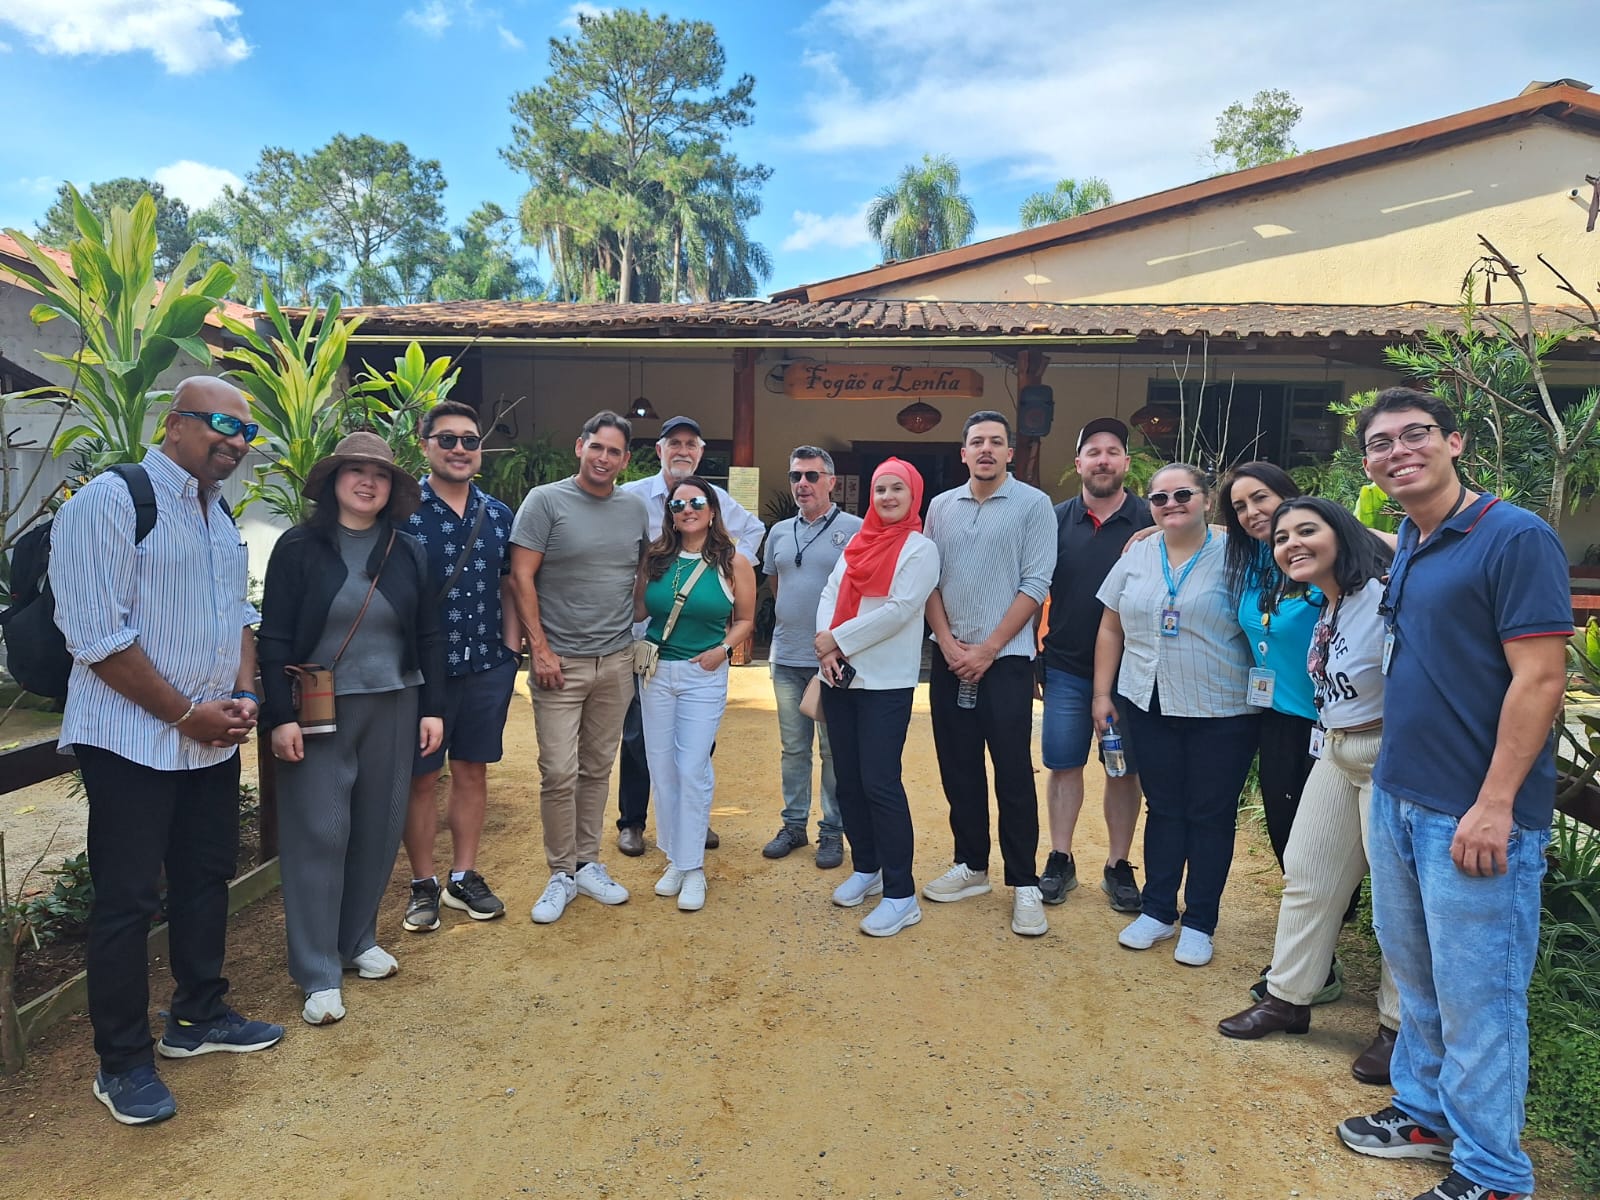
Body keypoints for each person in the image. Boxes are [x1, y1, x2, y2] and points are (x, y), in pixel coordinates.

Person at [1335, 388, 1569, 1200]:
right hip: (1402, 794)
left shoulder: (1515, 537)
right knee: (1420, 978)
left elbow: (1540, 679)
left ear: (1455, 441)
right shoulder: (1412, 535)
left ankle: (1494, 1172)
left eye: (1416, 434)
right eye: (1381, 443)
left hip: (1475, 812)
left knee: (1480, 998)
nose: (1398, 451)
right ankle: (1429, 1114)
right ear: (1369, 464)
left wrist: (1496, 803)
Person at [51, 376, 283, 1125]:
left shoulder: (219, 515)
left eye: (246, 431)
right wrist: (186, 714)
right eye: (222, 423)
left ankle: (198, 1015)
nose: (236, 441)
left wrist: (243, 694)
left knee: (205, 878)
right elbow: (96, 637)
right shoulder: (111, 503)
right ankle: (121, 1063)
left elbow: (238, 614)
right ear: (173, 423)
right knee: (127, 901)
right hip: (131, 741)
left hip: (209, 740)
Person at [258, 432, 445, 1026]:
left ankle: (356, 940)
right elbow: (274, 637)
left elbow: (430, 633)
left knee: (378, 826)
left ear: (392, 488)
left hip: (396, 700)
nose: (368, 482)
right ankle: (317, 970)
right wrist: (278, 717)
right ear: (334, 481)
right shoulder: (298, 547)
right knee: (321, 830)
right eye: (355, 471)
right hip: (318, 708)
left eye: (380, 474)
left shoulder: (408, 550)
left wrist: (434, 707)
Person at [1218, 497, 1402, 1086]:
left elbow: (1417, 546)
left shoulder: (1385, 595)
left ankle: (1399, 1028)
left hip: (1388, 753)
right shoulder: (1331, 601)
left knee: (1396, 897)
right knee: (1307, 872)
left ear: (1342, 535)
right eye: (1282, 538)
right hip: (1336, 748)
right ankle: (1288, 998)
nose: (1291, 544)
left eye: (1307, 531)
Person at [1093, 464, 1259, 967]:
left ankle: (1201, 921)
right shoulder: (1138, 553)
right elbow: (1110, 627)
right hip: (1148, 700)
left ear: (1207, 499)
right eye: (1159, 498)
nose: (1171, 505)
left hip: (1221, 706)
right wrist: (1102, 694)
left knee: (1210, 814)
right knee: (1163, 807)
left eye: (1183, 494)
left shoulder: (1239, 552)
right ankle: (1158, 910)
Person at [922, 410, 1057, 937]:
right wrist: (948, 642)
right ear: (963, 453)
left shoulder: (1033, 504)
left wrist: (989, 649)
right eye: (976, 441)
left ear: (1009, 453)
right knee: (958, 765)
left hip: (1008, 661)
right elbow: (928, 580)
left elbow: (1036, 583)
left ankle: (1024, 881)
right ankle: (971, 864)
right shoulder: (941, 507)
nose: (985, 449)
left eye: (995, 442)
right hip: (950, 657)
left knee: (1013, 771)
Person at [510, 410, 647, 925]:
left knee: (597, 768)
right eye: (597, 447)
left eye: (614, 452)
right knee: (559, 771)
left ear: (625, 460)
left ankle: (588, 863)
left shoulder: (633, 509)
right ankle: (560, 873)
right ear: (580, 446)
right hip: (559, 663)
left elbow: (638, 574)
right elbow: (521, 577)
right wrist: (539, 650)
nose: (604, 458)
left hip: (615, 660)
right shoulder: (545, 501)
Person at [616, 415, 765, 856]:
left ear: (700, 453)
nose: (682, 450)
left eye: (691, 444)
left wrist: (722, 571)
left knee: (695, 744)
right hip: (645, 640)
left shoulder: (715, 498)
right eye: (674, 443)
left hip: (700, 643)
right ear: (659, 450)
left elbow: (753, 531)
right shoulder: (631, 496)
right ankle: (633, 821)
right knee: (640, 737)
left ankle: (691, 819)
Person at [399, 401, 521, 932]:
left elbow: (509, 584)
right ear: (424, 444)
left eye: (469, 440)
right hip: (423, 670)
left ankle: (463, 876)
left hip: (487, 662)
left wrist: (511, 652)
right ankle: (422, 882)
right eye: (446, 439)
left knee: (473, 770)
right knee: (421, 777)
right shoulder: (401, 510)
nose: (459, 449)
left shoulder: (498, 514)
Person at [815, 458, 940, 936]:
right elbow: (830, 593)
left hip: (886, 682)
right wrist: (827, 646)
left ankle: (901, 894)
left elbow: (900, 610)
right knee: (847, 780)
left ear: (913, 495)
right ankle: (867, 868)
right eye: (880, 489)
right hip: (839, 676)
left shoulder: (920, 548)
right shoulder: (857, 542)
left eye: (897, 489)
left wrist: (838, 639)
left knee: (880, 783)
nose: (887, 497)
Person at [1038, 417, 1153, 911]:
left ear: (1125, 462)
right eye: (1093, 452)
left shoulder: (1151, 518)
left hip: (1132, 673)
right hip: (1065, 667)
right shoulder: (1053, 520)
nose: (1102, 460)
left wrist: (1159, 529)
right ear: (1078, 462)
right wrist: (1034, 657)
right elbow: (1032, 587)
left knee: (1123, 770)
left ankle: (1118, 864)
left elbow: (1209, 533)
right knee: (1063, 764)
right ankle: (1060, 857)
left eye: (1112, 452)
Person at [635, 477, 757, 912]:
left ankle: (694, 868)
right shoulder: (656, 558)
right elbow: (639, 609)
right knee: (662, 767)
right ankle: (676, 858)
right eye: (678, 504)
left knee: (691, 768)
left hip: (702, 673)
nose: (687, 509)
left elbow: (745, 619)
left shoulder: (732, 561)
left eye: (696, 502)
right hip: (655, 672)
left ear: (712, 509)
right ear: (670, 513)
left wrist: (723, 650)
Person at [761, 445, 861, 869]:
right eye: (796, 476)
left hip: (832, 661)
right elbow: (775, 584)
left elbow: (861, 592)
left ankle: (832, 831)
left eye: (812, 476)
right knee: (793, 748)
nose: (802, 484)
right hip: (787, 656)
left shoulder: (855, 530)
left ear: (831, 482)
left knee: (833, 750)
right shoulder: (780, 532)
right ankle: (794, 824)